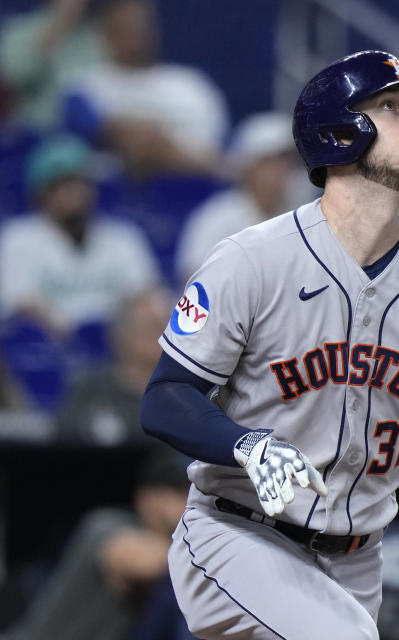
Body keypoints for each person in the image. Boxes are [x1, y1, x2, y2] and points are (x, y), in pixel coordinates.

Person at [139, 50, 399, 639]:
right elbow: (165, 396)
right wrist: (246, 444)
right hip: (239, 534)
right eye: (391, 107)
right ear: (336, 133)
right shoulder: (253, 259)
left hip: (356, 560)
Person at [3, 446, 192, 640]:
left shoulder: (182, 553)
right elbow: (145, 563)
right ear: (147, 499)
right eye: (180, 490)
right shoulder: (107, 524)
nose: (191, 499)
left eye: (198, 490)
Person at [0, 134, 160, 337]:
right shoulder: (17, 238)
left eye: (78, 183)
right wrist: (72, 336)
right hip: (51, 344)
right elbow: (21, 303)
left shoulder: (123, 237)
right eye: (60, 185)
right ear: (41, 193)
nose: (72, 192)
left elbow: (145, 295)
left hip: (118, 346)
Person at [61, 0, 228, 178]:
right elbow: (85, 125)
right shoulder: (85, 85)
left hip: (194, 189)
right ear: (105, 34)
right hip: (112, 189)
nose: (136, 35)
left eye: (142, 27)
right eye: (127, 28)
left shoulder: (191, 84)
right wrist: (151, 140)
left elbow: (219, 145)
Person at [175, 112, 301, 283]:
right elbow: (196, 282)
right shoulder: (216, 218)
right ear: (249, 168)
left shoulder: (303, 216)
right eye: (270, 163)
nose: (281, 171)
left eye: (287, 163)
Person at [58, 286, 172, 446]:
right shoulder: (89, 391)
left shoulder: (190, 393)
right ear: (122, 334)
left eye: (170, 328)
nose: (165, 336)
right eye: (154, 328)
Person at [0, 0, 106, 131]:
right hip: (34, 132)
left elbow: (104, 88)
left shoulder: (95, 39)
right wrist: (58, 25)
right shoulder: (18, 30)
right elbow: (15, 79)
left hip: (82, 134)